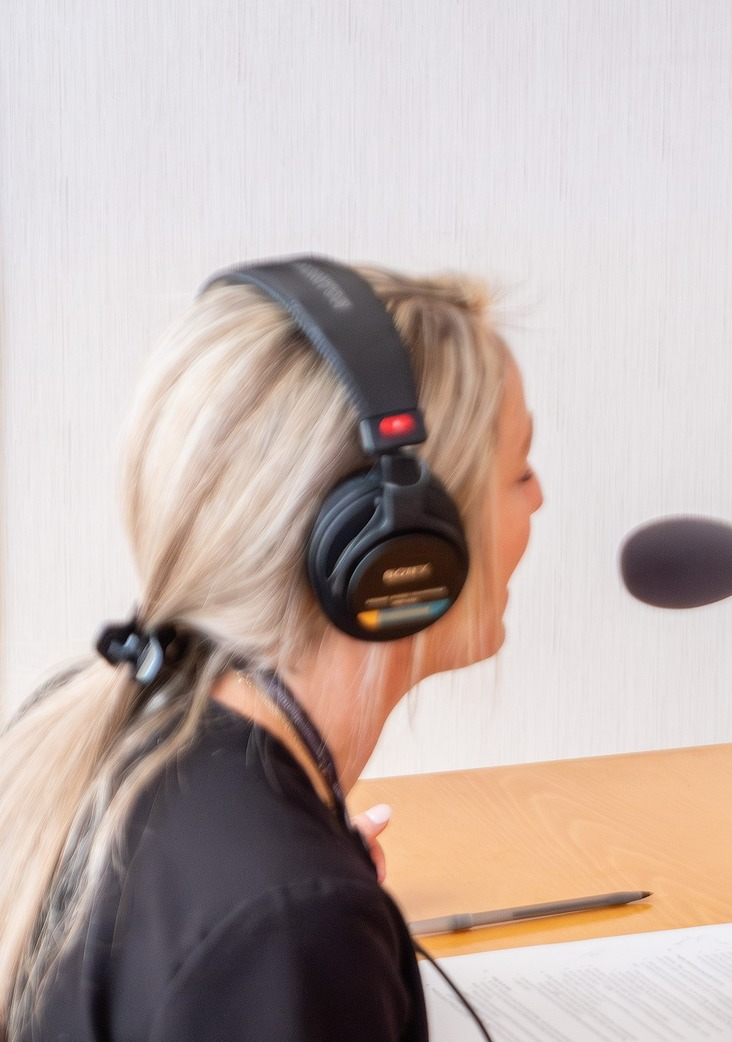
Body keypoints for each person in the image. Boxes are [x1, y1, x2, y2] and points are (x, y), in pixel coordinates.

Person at [0, 260, 544, 1039]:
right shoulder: (288, 924)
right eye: (519, 469)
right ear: (401, 547)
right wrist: (311, 920)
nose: (540, 498)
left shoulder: (107, 726)